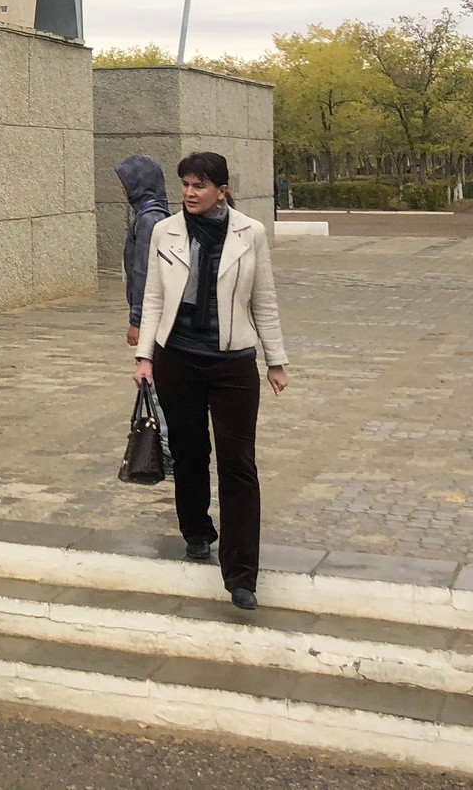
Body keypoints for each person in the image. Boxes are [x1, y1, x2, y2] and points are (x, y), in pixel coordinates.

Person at [132, 151, 289, 611]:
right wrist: (145, 357)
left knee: (239, 463)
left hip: (233, 363)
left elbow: (265, 298)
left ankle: (242, 574)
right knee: (189, 450)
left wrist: (275, 360)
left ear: (222, 189)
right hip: (176, 357)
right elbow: (154, 296)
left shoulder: (250, 233)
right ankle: (197, 531)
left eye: (199, 185)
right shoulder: (166, 231)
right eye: (185, 184)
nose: (189, 193)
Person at [116, 155, 171, 350]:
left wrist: (136, 321)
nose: (122, 188)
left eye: (126, 183)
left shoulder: (149, 220)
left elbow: (143, 271)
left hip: (153, 315)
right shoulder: (154, 214)